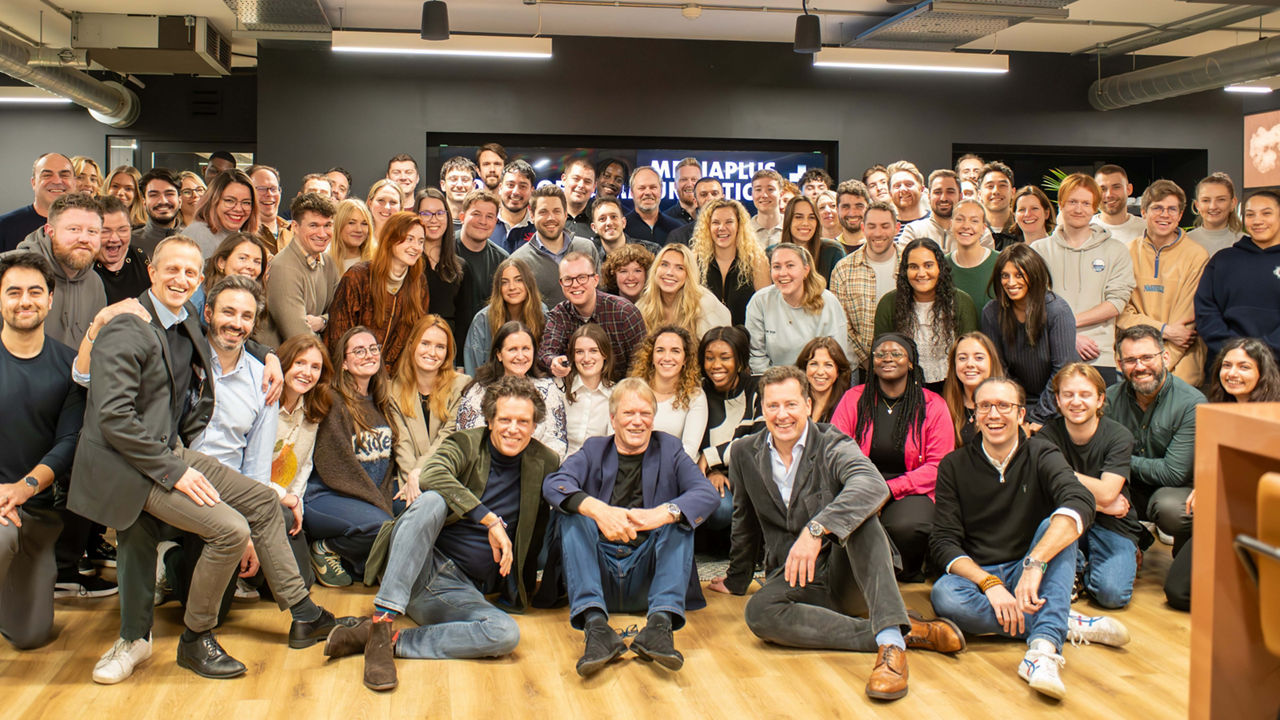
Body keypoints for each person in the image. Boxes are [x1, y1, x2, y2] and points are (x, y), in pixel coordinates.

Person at [73, 236, 346, 682]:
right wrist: (174, 470)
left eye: (189, 272)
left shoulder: (182, 326)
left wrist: (272, 355)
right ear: (153, 273)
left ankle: (304, 613)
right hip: (131, 466)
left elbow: (234, 344)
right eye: (172, 270)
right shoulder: (128, 323)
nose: (181, 279)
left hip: (167, 452)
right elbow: (112, 417)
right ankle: (193, 638)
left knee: (260, 499)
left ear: (200, 280)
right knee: (232, 529)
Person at [709, 366, 965, 701]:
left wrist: (816, 530)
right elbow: (744, 519)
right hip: (795, 578)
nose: (782, 415)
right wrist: (736, 578)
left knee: (862, 519)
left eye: (791, 405)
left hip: (851, 576)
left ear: (808, 406)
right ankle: (899, 631)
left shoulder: (833, 443)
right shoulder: (745, 452)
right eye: (773, 406)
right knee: (759, 614)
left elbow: (872, 485)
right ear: (763, 409)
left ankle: (891, 649)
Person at [323, 376, 560, 691]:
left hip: (459, 590)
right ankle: (382, 618)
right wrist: (489, 520)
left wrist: (521, 590)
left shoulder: (545, 461)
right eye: (504, 419)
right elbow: (432, 473)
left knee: (505, 634)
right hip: (420, 565)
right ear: (490, 421)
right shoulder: (466, 443)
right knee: (433, 499)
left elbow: (541, 525)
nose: (512, 429)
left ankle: (385, 639)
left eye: (522, 421)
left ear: (534, 426)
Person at [929, 377, 1126, 701]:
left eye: (1004, 406)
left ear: (1021, 414)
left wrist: (1035, 564)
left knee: (1060, 523)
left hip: (1032, 569)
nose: (994, 414)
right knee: (945, 597)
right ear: (975, 415)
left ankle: (1043, 651)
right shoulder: (954, 465)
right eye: (985, 406)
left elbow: (1079, 499)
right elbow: (943, 541)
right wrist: (989, 584)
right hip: (982, 576)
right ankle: (1059, 618)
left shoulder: (1042, 452)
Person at [543, 377, 720, 677]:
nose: (637, 422)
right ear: (613, 419)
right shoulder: (594, 449)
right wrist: (597, 510)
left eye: (645, 414)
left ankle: (660, 627)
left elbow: (705, 494)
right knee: (572, 514)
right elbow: (554, 484)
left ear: (653, 418)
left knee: (679, 519)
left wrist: (663, 513)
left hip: (649, 578)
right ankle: (596, 627)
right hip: (597, 575)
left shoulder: (670, 449)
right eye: (628, 413)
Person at [0, 251, 85, 652]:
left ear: (51, 299)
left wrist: (24, 487)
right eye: (13, 291)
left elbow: (68, 442)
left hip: (37, 510)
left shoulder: (69, 367)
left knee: (30, 636)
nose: (25, 300)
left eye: (35, 291)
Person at [830, 334, 955, 581]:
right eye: (880, 354)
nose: (888, 358)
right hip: (860, 484)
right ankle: (858, 580)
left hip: (911, 488)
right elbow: (836, 450)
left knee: (907, 527)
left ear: (910, 363)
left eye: (896, 354)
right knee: (857, 526)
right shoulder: (854, 398)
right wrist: (864, 491)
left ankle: (904, 575)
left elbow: (938, 465)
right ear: (873, 362)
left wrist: (888, 490)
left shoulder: (932, 405)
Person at [1174, 338, 1280, 610]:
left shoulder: (1274, 416)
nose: (1232, 373)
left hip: (1262, 516)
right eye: (1227, 365)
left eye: (1244, 367)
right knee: (1178, 592)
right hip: (1222, 513)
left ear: (1262, 373)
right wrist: (1205, 486)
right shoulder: (1217, 410)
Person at [306, 326, 407, 587]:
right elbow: (339, 469)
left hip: (367, 495)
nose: (368, 355)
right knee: (384, 525)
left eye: (373, 349)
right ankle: (327, 548)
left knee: (416, 514)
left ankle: (363, 563)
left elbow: (386, 465)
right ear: (344, 363)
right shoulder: (333, 400)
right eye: (359, 351)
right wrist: (380, 505)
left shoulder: (380, 400)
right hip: (329, 495)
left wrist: (386, 498)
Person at [1036, 363, 1140, 609]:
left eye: (1085, 394)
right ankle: (1080, 564)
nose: (1076, 402)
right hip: (1069, 518)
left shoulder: (1119, 436)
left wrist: (1061, 472)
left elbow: (1108, 492)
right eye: (1068, 394)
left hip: (1113, 525)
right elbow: (1047, 494)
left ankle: (1087, 567)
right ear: (1058, 401)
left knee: (1112, 595)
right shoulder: (1046, 437)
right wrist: (1102, 505)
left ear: (1100, 399)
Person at [1104, 325, 1203, 583]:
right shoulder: (1109, 399)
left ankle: (1185, 549)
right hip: (1123, 491)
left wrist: (1118, 460)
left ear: (1165, 357)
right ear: (1119, 363)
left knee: (1169, 508)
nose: (1140, 366)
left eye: (1147, 357)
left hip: (1173, 491)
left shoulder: (1192, 403)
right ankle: (1131, 536)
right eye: (1130, 360)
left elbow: (1173, 472)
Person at [1033, 173, 1135, 384]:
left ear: (1095, 207)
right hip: (1047, 355)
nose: (1078, 209)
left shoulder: (1116, 250)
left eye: (1085, 203)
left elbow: (1116, 303)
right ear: (1061, 204)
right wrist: (1068, 336)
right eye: (1072, 202)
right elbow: (1033, 304)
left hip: (1098, 356)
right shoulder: (1038, 250)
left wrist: (1067, 325)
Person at [1117, 179, 1209, 386]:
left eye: (1171, 209)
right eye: (1157, 208)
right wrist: (1164, 329)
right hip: (1133, 366)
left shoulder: (1197, 256)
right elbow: (1121, 313)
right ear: (1143, 212)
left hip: (1180, 370)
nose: (1165, 215)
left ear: (1180, 214)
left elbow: (1185, 326)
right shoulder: (1126, 253)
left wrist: (1157, 368)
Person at [981, 244, 1080, 427]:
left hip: (1059, 401)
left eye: (1019, 275)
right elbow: (999, 370)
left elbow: (1063, 371)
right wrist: (1017, 412)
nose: (1011, 282)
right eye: (1005, 275)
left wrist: (1037, 417)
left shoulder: (1057, 310)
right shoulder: (991, 313)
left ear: (1034, 275)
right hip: (1016, 404)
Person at [324, 211, 429, 368]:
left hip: (392, 380)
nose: (416, 247)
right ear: (390, 240)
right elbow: (338, 337)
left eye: (421, 242)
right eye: (409, 239)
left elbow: (415, 337)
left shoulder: (418, 282)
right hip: (352, 375)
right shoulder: (358, 276)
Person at [874, 238, 978, 392]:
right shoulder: (889, 303)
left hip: (953, 387)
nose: (921, 273)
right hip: (902, 388)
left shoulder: (961, 302)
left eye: (928, 265)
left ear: (940, 268)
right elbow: (881, 357)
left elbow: (971, 355)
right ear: (905, 271)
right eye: (913, 267)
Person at [270, 334, 332, 586]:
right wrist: (286, 499)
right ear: (284, 363)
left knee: (303, 582)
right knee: (284, 582)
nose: (307, 372)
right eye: (299, 363)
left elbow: (303, 467)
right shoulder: (265, 406)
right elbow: (247, 471)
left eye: (315, 367)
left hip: (285, 503)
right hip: (255, 498)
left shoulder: (312, 411)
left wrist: (297, 507)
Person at [456, 321, 568, 461]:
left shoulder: (548, 389)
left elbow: (556, 442)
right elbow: (469, 442)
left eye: (526, 349)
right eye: (513, 349)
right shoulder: (479, 391)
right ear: (499, 355)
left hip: (537, 472)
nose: (520, 356)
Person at [1195, 189, 1280, 364]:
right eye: (1250, 214)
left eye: (1266, 213)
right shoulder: (1223, 260)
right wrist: (1234, 351)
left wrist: (1261, 353)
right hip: (1226, 364)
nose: (1257, 221)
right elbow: (1205, 310)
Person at [17, 192, 107, 348]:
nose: (84, 239)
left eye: (92, 231)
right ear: (50, 232)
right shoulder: (11, 271)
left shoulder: (95, 282)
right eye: (74, 229)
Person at [539, 252, 647, 381]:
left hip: (623, 391)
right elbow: (546, 352)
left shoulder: (625, 312)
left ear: (596, 280)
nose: (575, 284)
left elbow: (641, 362)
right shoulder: (559, 315)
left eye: (582, 277)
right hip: (577, 393)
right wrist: (554, 362)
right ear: (561, 284)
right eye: (568, 279)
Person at [746, 243, 850, 373]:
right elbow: (756, 355)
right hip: (774, 381)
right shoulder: (760, 301)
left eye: (790, 266)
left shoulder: (828, 302)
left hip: (819, 379)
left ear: (806, 270)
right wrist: (775, 384)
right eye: (776, 267)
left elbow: (836, 356)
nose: (783, 273)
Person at [390, 314, 470, 474]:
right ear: (412, 345)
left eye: (440, 347)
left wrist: (419, 473)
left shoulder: (462, 386)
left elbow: (447, 438)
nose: (432, 352)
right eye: (425, 343)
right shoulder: (392, 390)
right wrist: (412, 479)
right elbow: (401, 443)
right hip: (407, 478)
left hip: (446, 474)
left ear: (447, 352)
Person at [698, 326, 761, 532]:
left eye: (725, 358)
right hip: (710, 477)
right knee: (722, 509)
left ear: (740, 361)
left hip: (752, 475)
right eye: (709, 358)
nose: (716, 365)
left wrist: (712, 456)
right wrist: (711, 471)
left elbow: (759, 441)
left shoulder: (758, 388)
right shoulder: (696, 393)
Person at [259, 193, 341, 348]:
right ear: (295, 227)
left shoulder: (328, 263)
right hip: (287, 364)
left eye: (328, 225)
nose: (322, 234)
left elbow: (343, 316)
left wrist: (322, 321)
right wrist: (328, 322)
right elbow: (299, 337)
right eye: (314, 225)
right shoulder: (283, 268)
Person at [830, 201, 901, 368]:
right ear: (863, 228)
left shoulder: (910, 263)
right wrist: (867, 360)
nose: (878, 233)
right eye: (872, 226)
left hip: (907, 362)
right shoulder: (844, 269)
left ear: (897, 228)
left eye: (885, 226)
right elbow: (841, 322)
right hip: (862, 366)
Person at [510, 185, 597, 307]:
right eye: (543, 212)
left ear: (565, 214)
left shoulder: (587, 248)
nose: (551, 218)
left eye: (556, 211)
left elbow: (599, 296)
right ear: (532, 215)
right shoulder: (518, 261)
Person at [631, 326, 708, 461]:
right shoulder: (632, 390)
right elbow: (616, 437)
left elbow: (689, 449)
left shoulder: (695, 396)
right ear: (651, 356)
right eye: (660, 350)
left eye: (675, 351)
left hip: (675, 471)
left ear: (685, 359)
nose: (667, 357)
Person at [691, 198, 769, 327]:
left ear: (739, 225)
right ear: (708, 226)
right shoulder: (694, 259)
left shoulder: (757, 261)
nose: (722, 228)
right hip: (705, 341)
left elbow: (765, 310)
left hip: (745, 342)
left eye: (729, 222)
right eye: (716, 222)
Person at [462, 257, 546, 376]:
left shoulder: (542, 314)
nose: (512, 287)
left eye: (518, 280)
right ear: (498, 287)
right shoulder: (483, 320)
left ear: (529, 283)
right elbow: (473, 370)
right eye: (504, 282)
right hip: (491, 388)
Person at [636, 244, 730, 345]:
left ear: (688, 274)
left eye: (680, 268)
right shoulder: (643, 306)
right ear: (655, 269)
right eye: (664, 264)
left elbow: (717, 350)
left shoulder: (704, 303)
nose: (670, 272)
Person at [454, 190, 511, 347]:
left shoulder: (502, 260)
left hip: (485, 344)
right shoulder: (443, 251)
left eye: (489, 217)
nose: (483, 221)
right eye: (476, 214)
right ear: (462, 217)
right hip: (447, 342)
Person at [417, 188, 471, 332]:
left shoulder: (460, 267)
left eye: (440, 213)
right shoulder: (407, 264)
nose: (433, 219)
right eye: (426, 214)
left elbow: (464, 322)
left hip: (449, 347)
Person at [2, 153, 74, 253]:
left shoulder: (89, 228)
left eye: (64, 175)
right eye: (47, 175)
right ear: (33, 183)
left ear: (74, 182)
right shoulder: (4, 226)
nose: (57, 181)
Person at [941, 331, 1004, 446]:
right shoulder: (942, 406)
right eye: (962, 358)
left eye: (979, 358)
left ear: (992, 361)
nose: (970, 364)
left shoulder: (1008, 405)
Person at [563, 323, 616, 457]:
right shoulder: (559, 389)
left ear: (604, 354)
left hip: (596, 471)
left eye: (593, 351)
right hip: (559, 468)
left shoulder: (616, 395)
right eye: (579, 352)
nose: (586, 358)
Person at [184, 169, 258, 259]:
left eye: (246, 202)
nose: (238, 209)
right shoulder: (200, 234)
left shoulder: (235, 234)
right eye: (229, 201)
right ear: (213, 201)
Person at [196, 232, 267, 321]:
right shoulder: (198, 296)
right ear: (221, 262)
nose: (251, 266)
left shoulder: (257, 300)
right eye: (243, 258)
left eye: (257, 262)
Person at [93, 195, 151, 305]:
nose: (114, 238)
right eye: (105, 231)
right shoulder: (84, 267)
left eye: (122, 230)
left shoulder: (141, 259)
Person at [773, 196, 845, 284]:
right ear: (788, 220)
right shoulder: (772, 253)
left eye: (811, 217)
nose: (805, 223)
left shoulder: (833, 251)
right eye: (799, 217)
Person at [946, 199, 999, 306]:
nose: (966, 226)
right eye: (960, 219)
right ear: (951, 224)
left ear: (984, 228)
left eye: (974, 221)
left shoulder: (1001, 262)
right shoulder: (942, 265)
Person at [796, 336, 853, 424]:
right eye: (814, 364)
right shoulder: (793, 403)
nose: (820, 372)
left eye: (828, 365)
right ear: (804, 368)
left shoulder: (848, 406)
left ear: (838, 371)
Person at [899, 170, 962, 249]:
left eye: (950, 192)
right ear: (929, 196)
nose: (943, 198)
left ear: (960, 196)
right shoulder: (913, 231)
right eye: (937, 192)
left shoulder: (971, 232)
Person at [1187, 172, 1244, 257]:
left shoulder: (1245, 243)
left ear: (1233, 203)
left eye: (1221, 199)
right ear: (1197, 205)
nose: (1213, 206)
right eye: (1206, 200)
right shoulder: (1185, 242)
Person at [624, 166, 683, 246]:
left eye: (653, 187)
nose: (648, 192)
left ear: (661, 191)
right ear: (631, 192)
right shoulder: (622, 228)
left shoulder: (677, 229)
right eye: (642, 188)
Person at [1092, 164, 1147, 245]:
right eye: (1102, 189)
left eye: (1116, 187)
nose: (1109, 194)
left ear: (1129, 189)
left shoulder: (1147, 230)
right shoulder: (1084, 229)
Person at [135, 168, 184, 258]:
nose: (162, 201)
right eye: (154, 195)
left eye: (169, 194)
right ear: (144, 202)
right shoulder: (129, 244)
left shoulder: (195, 240)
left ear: (180, 200)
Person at [589, 196, 658, 257]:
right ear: (594, 227)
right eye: (602, 219)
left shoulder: (651, 252)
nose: (609, 223)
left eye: (614, 217)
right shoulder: (589, 255)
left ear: (623, 222)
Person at [492, 160, 536, 253]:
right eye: (510, 185)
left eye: (523, 186)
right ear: (500, 188)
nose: (516, 192)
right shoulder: (485, 223)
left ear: (532, 191)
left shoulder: (540, 228)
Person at [248, 165, 290, 256]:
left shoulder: (294, 232)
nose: (269, 194)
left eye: (273, 189)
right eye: (261, 189)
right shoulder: (242, 235)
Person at [328, 198, 376, 273]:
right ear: (338, 225)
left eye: (364, 224)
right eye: (351, 223)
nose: (359, 229)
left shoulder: (377, 261)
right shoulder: (324, 262)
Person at [978, 162, 1017, 242]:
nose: (996, 191)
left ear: (1013, 192)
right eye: (990, 186)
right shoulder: (971, 229)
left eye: (1002, 185)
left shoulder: (1023, 227)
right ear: (979, 194)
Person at [561, 158, 597, 236]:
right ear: (564, 179)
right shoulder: (548, 216)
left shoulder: (600, 221)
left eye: (587, 181)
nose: (581, 185)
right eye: (576, 179)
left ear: (594, 187)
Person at [749, 169, 785, 248]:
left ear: (781, 194)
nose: (764, 195)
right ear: (752, 194)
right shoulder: (744, 230)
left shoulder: (792, 227)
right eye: (758, 190)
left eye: (770, 189)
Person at [834, 180, 871, 254]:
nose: (852, 213)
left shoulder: (879, 246)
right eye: (846, 206)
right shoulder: (830, 249)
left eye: (859, 206)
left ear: (868, 209)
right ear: (837, 210)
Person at [438, 155, 478, 223]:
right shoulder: (434, 221)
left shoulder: (481, 222)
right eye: (453, 179)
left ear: (473, 186)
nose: (459, 185)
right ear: (443, 185)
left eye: (465, 180)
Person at [887, 161, 927, 226]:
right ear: (890, 194)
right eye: (897, 186)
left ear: (921, 189)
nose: (903, 189)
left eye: (909, 184)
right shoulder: (884, 227)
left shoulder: (937, 224)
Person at [666, 157, 702, 225]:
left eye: (694, 179)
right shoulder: (663, 220)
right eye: (684, 179)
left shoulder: (712, 217)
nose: (689, 184)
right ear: (675, 185)